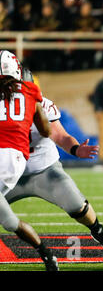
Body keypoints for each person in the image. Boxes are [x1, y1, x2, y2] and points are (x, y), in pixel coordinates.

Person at [5, 68, 103, 256]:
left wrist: (76, 149)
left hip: (45, 171)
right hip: (9, 173)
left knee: (78, 206)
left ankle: (98, 230)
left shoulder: (42, 105)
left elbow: (60, 135)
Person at [0, 50, 58, 271]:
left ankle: (46, 252)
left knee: (10, 222)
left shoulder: (29, 91)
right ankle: (46, 253)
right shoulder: (31, 90)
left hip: (8, 158)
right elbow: (45, 130)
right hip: (15, 159)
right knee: (10, 222)